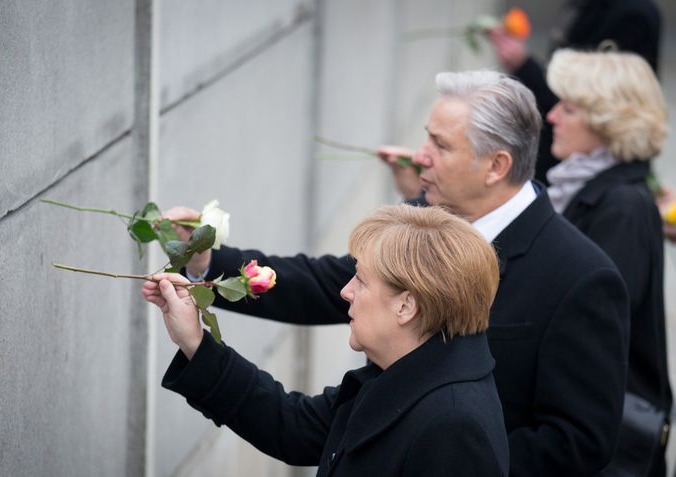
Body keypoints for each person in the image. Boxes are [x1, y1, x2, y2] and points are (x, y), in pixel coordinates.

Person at [158, 70, 630, 476]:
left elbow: (578, 444)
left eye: (440, 145)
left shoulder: (582, 277)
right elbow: (323, 291)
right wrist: (206, 264)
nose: (419, 155)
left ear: (496, 166)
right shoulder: (424, 228)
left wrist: (442, 454)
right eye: (427, 137)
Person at [144, 205, 510, 476]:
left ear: (407, 306)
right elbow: (294, 426)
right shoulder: (408, 370)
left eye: (361, 281)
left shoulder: (453, 427)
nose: (345, 291)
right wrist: (195, 341)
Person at [544, 48, 671, 476]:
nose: (552, 117)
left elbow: (591, 326)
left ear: (606, 121)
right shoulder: (590, 188)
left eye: (568, 108)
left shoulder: (622, 207)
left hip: (602, 438)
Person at [488, 0, 661, 185]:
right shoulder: (590, 7)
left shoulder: (631, 13)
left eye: (567, 109)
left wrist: (523, 65)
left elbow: (598, 102)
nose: (554, 116)